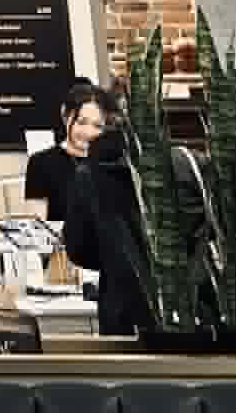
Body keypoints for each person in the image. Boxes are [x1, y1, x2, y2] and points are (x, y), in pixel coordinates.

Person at [64, 119, 153, 335]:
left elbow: (77, 249)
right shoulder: (166, 168)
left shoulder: (87, 176)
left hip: (118, 303)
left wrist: (111, 258)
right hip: (177, 301)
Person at [23, 79, 104, 221]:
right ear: (65, 115)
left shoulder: (112, 163)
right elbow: (38, 229)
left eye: (97, 125)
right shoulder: (41, 163)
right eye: (81, 122)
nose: (89, 132)